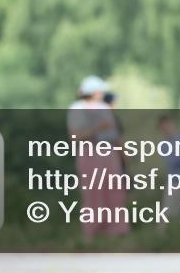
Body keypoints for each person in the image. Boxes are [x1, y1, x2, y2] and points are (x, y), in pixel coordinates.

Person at [66, 75, 130, 239]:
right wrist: (97, 128)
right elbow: (75, 136)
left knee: (114, 191)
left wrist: (122, 157)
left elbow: (114, 135)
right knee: (93, 194)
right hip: (89, 152)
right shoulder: (77, 108)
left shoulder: (104, 108)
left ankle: (116, 231)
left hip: (109, 153)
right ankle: (92, 232)